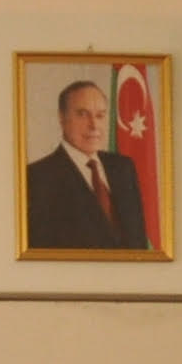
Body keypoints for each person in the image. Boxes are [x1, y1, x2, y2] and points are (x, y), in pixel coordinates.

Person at [22, 79, 148, 252]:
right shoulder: (37, 177)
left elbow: (138, 243)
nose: (94, 125)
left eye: (100, 115)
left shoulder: (123, 168)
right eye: (82, 114)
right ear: (62, 118)